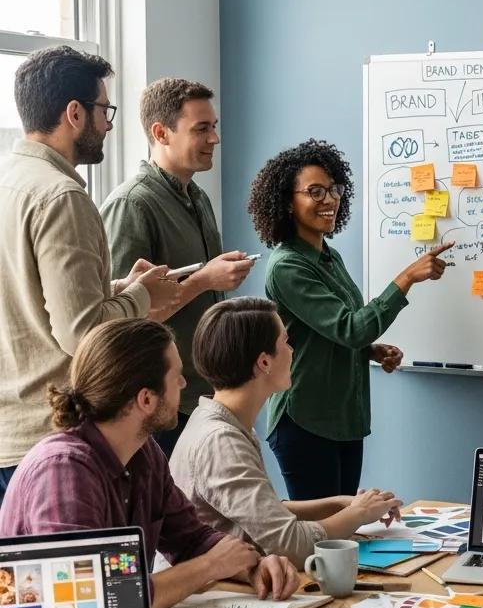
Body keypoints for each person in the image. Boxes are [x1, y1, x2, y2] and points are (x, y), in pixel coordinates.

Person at [0, 319, 300, 608]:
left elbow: (191, 539)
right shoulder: (62, 471)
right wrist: (211, 565)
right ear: (146, 399)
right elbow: (95, 599)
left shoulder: (144, 453)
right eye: (176, 377)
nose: (184, 384)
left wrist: (253, 566)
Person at [0, 47, 180, 507]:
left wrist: (120, 288)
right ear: (74, 114)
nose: (109, 125)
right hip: (49, 439)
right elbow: (81, 333)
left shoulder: (9, 182)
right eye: (105, 110)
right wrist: (142, 297)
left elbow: (31, 300)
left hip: (11, 433)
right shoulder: (61, 196)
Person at [248, 139, 453, 500]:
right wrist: (407, 277)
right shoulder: (287, 266)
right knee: (323, 529)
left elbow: (333, 331)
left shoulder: (328, 256)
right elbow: (351, 329)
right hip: (306, 419)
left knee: (345, 525)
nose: (329, 199)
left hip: (342, 419)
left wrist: (369, 350)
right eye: (315, 191)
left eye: (334, 189)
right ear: (287, 202)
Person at [170, 297, 404, 567]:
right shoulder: (221, 441)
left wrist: (341, 504)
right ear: (264, 362)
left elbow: (265, 512)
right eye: (286, 342)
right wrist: (358, 514)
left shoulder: (220, 420)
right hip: (221, 587)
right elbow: (291, 545)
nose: (292, 351)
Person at [101, 78, 257, 458]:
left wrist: (218, 278)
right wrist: (204, 280)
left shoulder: (198, 198)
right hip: (161, 408)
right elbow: (121, 327)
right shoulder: (132, 204)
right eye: (201, 129)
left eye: (214, 126)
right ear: (161, 133)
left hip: (203, 396)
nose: (214, 138)